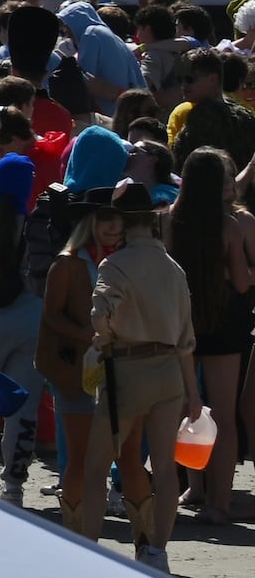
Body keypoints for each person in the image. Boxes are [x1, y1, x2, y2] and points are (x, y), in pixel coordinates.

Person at [93, 176, 199, 561]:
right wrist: (194, 393)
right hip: (169, 371)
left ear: (122, 221)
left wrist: (103, 339)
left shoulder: (115, 264)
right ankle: (157, 552)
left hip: (129, 365)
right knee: (166, 469)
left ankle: (86, 550)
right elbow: (187, 338)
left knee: (100, 464)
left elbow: (99, 313)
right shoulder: (174, 269)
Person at [175, 145, 255, 522]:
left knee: (187, 408)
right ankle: (219, 504)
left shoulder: (168, 220)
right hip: (225, 322)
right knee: (222, 413)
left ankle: (194, 486)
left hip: (182, 324)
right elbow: (242, 283)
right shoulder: (231, 226)